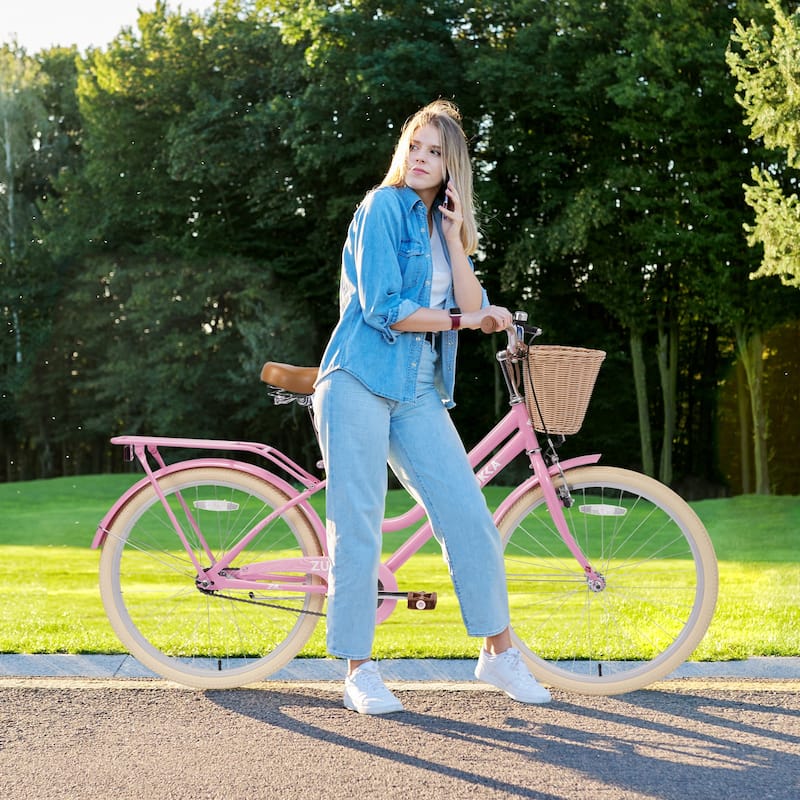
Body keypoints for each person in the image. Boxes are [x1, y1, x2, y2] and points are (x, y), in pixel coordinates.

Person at [313, 99, 552, 715]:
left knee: (469, 515)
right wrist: (463, 318)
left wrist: (454, 238)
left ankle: (498, 655)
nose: (421, 159)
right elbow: (383, 308)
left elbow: (475, 300)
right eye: (414, 147)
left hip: (417, 388)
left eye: (435, 152)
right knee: (358, 522)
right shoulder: (382, 207)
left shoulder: (437, 225)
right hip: (360, 376)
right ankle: (358, 670)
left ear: (452, 167)